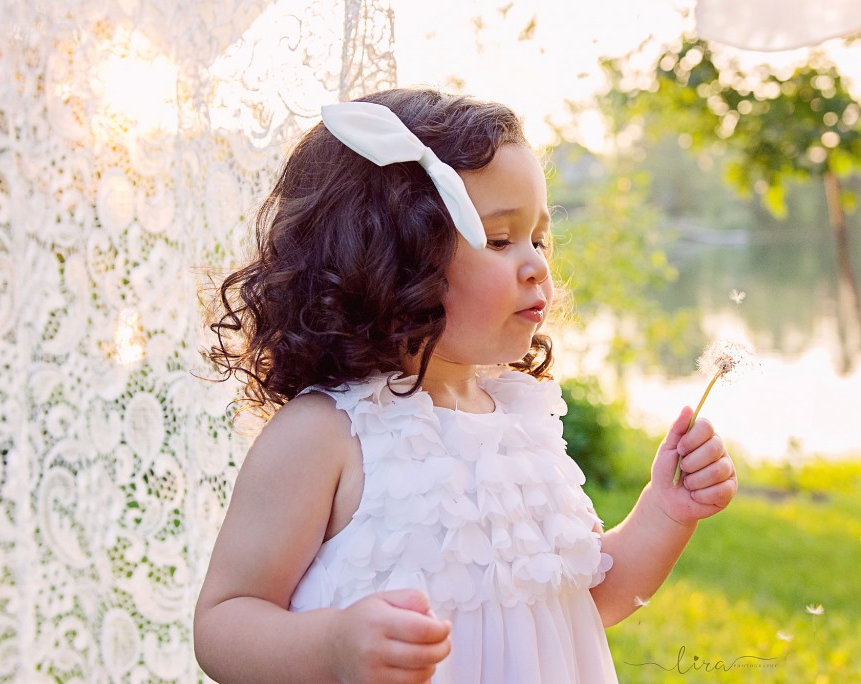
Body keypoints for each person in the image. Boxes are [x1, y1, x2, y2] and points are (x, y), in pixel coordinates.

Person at [193, 87, 738, 683]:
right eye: (500, 240)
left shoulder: (519, 423)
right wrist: (333, 645)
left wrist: (665, 510)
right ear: (394, 255)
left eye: (539, 239)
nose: (536, 266)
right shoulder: (328, 434)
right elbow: (224, 623)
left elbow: (587, 603)